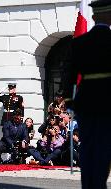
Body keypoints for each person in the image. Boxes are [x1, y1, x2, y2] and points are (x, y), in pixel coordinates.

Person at [67, 0, 111, 188]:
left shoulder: (80, 43)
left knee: (88, 147)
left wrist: (70, 100)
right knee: (104, 147)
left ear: (93, 17)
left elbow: (68, 74)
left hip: (85, 101)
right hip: (109, 101)